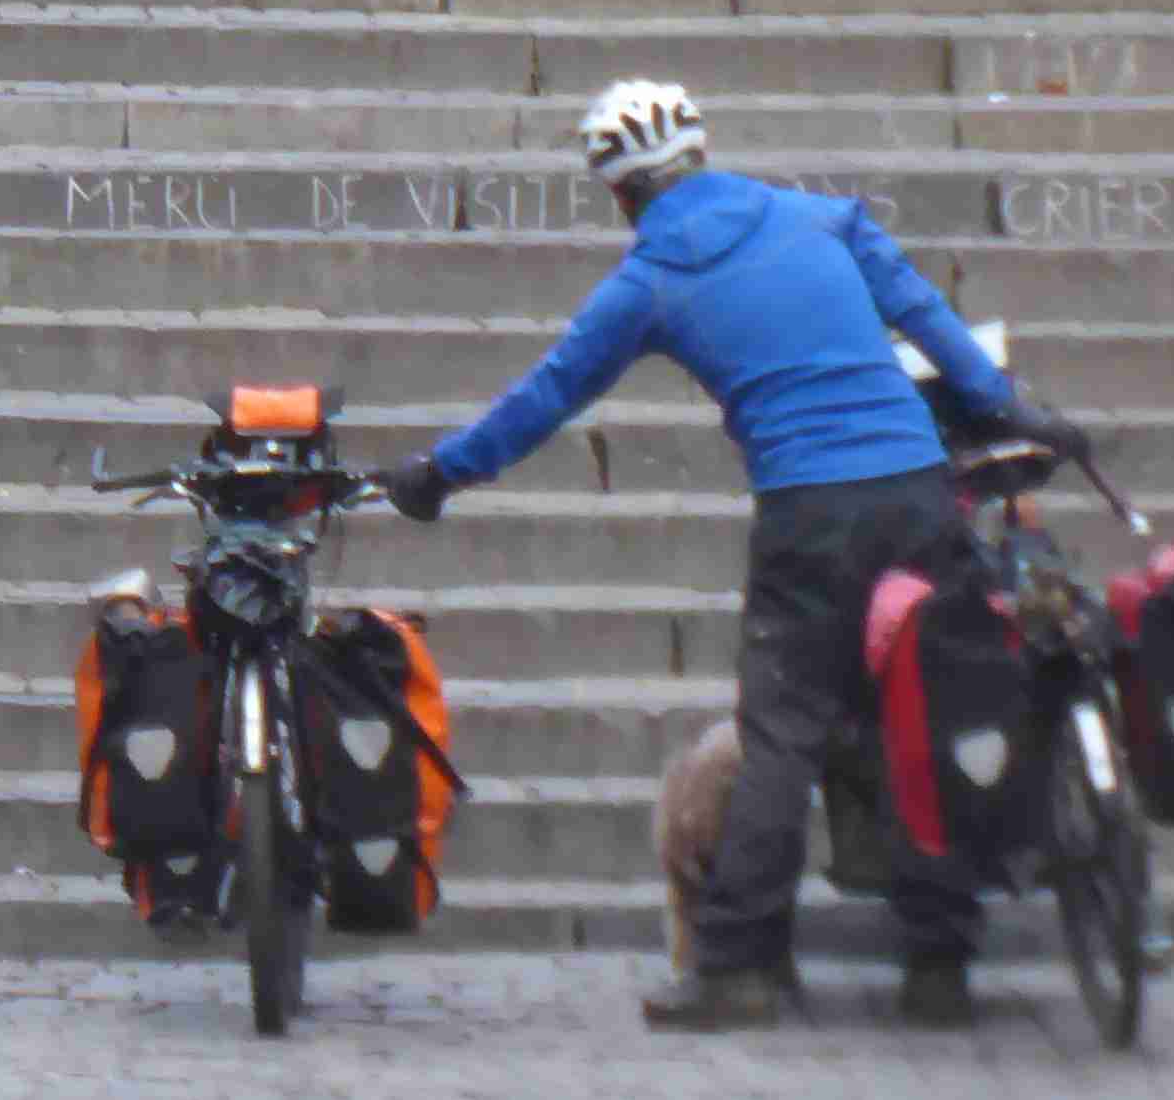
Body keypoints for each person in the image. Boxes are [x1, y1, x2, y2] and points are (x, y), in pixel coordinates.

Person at [383, 76, 1088, 1035]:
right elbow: (928, 318)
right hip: (919, 494)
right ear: (702, 154)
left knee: (782, 737)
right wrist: (1002, 404)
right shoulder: (823, 219)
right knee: (928, 711)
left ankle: (740, 967)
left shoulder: (650, 282)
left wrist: (440, 474)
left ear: (621, 194)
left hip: (808, 517)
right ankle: (940, 964)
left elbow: (546, 397)